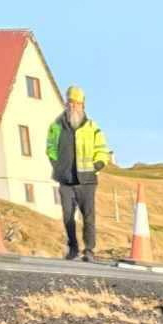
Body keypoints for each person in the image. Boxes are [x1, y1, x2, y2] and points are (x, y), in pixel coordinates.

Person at [46, 86, 111, 262]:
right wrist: (57, 165)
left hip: (87, 181)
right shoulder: (56, 126)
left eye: (77, 103)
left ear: (83, 105)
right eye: (71, 103)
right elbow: (50, 148)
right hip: (65, 180)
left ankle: (89, 250)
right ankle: (73, 248)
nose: (74, 106)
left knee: (88, 217)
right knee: (67, 216)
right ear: (66, 103)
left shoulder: (92, 127)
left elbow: (102, 151)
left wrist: (96, 166)